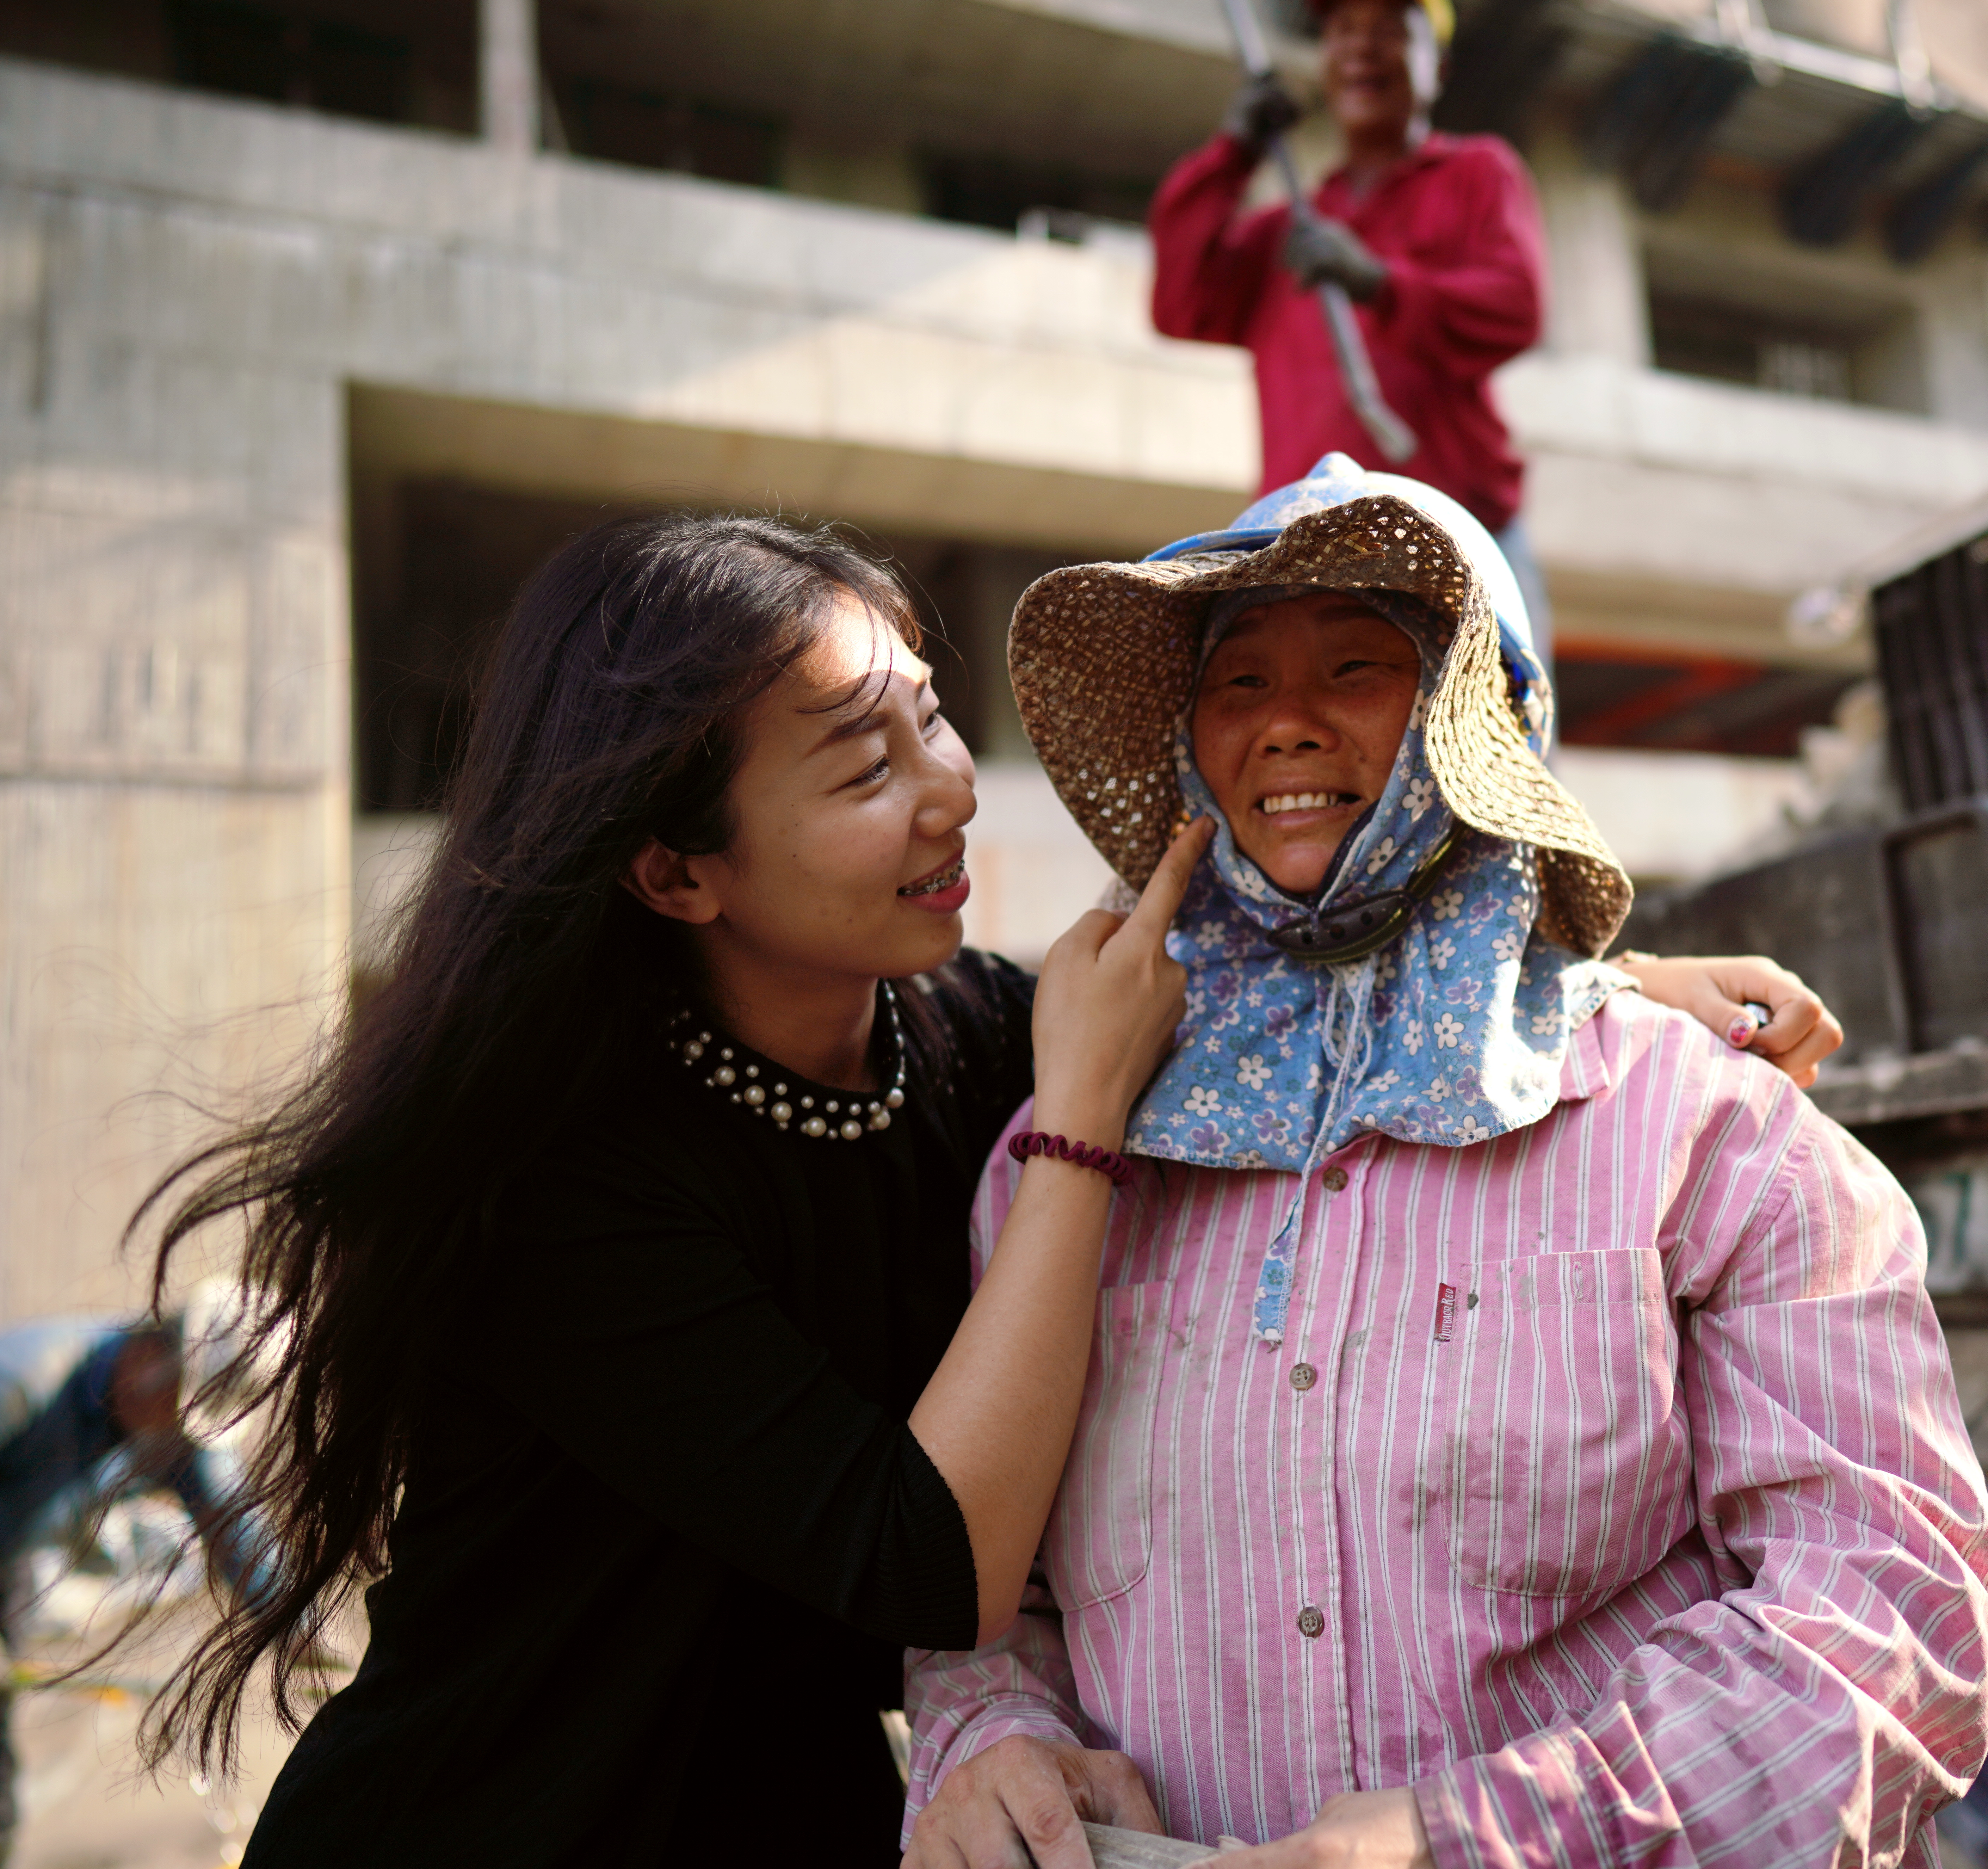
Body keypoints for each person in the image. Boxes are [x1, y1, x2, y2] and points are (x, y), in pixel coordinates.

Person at [128, 508, 1833, 1867]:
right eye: (864, 767)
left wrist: (1599, 990)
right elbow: (931, 1565)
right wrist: (1081, 1127)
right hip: (511, 1823)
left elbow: (1295, 1009)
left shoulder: (957, 1028)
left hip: (799, 1823)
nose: (950, 786)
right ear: (676, 868)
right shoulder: (570, 1188)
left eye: (931, 712)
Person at [899, 456, 1988, 1869]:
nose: (1285, 724)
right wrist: (990, 1742)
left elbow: (1888, 1619)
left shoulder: (1699, 1132)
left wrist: (1467, 1841)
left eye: (1357, 667)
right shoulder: (1066, 1155)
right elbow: (987, 1595)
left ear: (1465, 720)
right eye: (1236, 684)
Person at [1150, 0, 1558, 642]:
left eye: (1391, 31)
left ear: (1438, 64)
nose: (1362, 48)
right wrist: (1233, 153)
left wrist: (1378, 282)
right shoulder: (1290, 230)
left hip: (1457, 543)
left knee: (1498, 743)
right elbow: (1181, 301)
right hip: (1306, 557)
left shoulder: (1477, 173)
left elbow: (1516, 305)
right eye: (1343, 31)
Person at [0, 1313, 264, 1863]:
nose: (175, 1436)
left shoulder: (169, 1431)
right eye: (174, 1411)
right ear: (149, 1358)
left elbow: (235, 1527)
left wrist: (300, 1632)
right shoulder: (28, 1381)